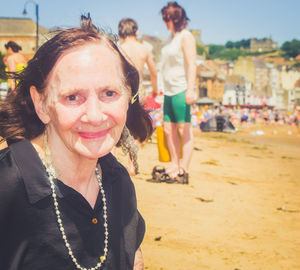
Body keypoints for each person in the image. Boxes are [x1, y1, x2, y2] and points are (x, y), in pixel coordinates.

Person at [0, 15, 153, 270]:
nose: (95, 116)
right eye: (73, 97)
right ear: (41, 104)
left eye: (110, 93)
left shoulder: (118, 181)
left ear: (128, 97)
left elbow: (132, 255)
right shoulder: (7, 183)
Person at [158, 1, 196, 184]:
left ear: (176, 19)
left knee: (183, 129)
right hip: (168, 90)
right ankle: (174, 164)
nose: (165, 22)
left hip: (181, 89)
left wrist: (191, 89)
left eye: (168, 18)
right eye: (164, 18)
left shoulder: (186, 37)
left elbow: (191, 65)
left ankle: (184, 169)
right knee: (167, 129)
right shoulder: (169, 39)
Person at [118, 18, 158, 175]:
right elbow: (153, 72)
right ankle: (131, 165)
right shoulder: (144, 49)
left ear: (121, 33)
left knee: (117, 127)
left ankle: (111, 165)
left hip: (120, 91)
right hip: (135, 92)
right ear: (137, 32)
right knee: (134, 129)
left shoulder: (118, 48)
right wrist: (155, 90)